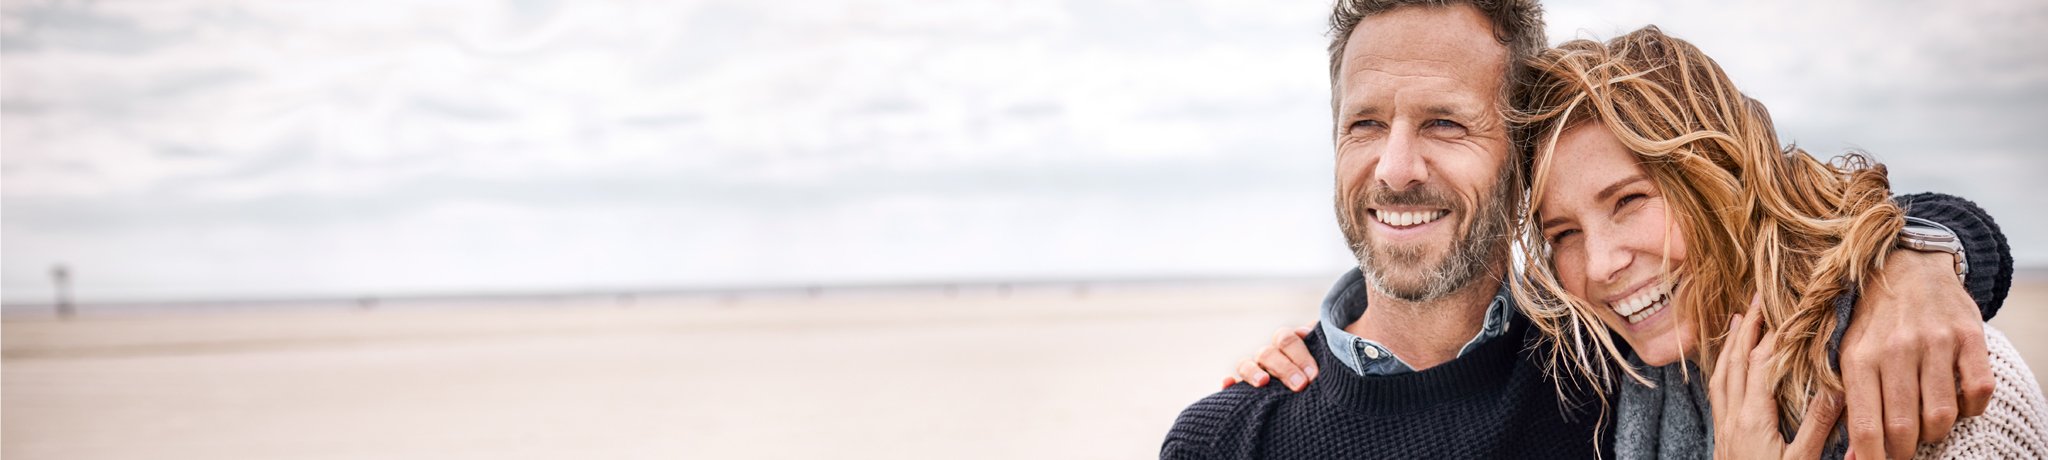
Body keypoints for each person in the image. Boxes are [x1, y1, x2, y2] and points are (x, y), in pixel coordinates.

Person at [1178, 0, 2006, 458]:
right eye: (1364, 124)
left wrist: (1921, 261)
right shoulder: (1230, 436)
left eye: (1444, 124)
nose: (1395, 166)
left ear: (1519, 160)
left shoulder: (1599, 367)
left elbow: (1802, 223)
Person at [1512, 27, 2047, 458]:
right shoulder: (1614, 376)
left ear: (1721, 175)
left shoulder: (1937, 380)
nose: (1601, 265)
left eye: (1628, 201)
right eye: (1563, 233)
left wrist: (1922, 256)